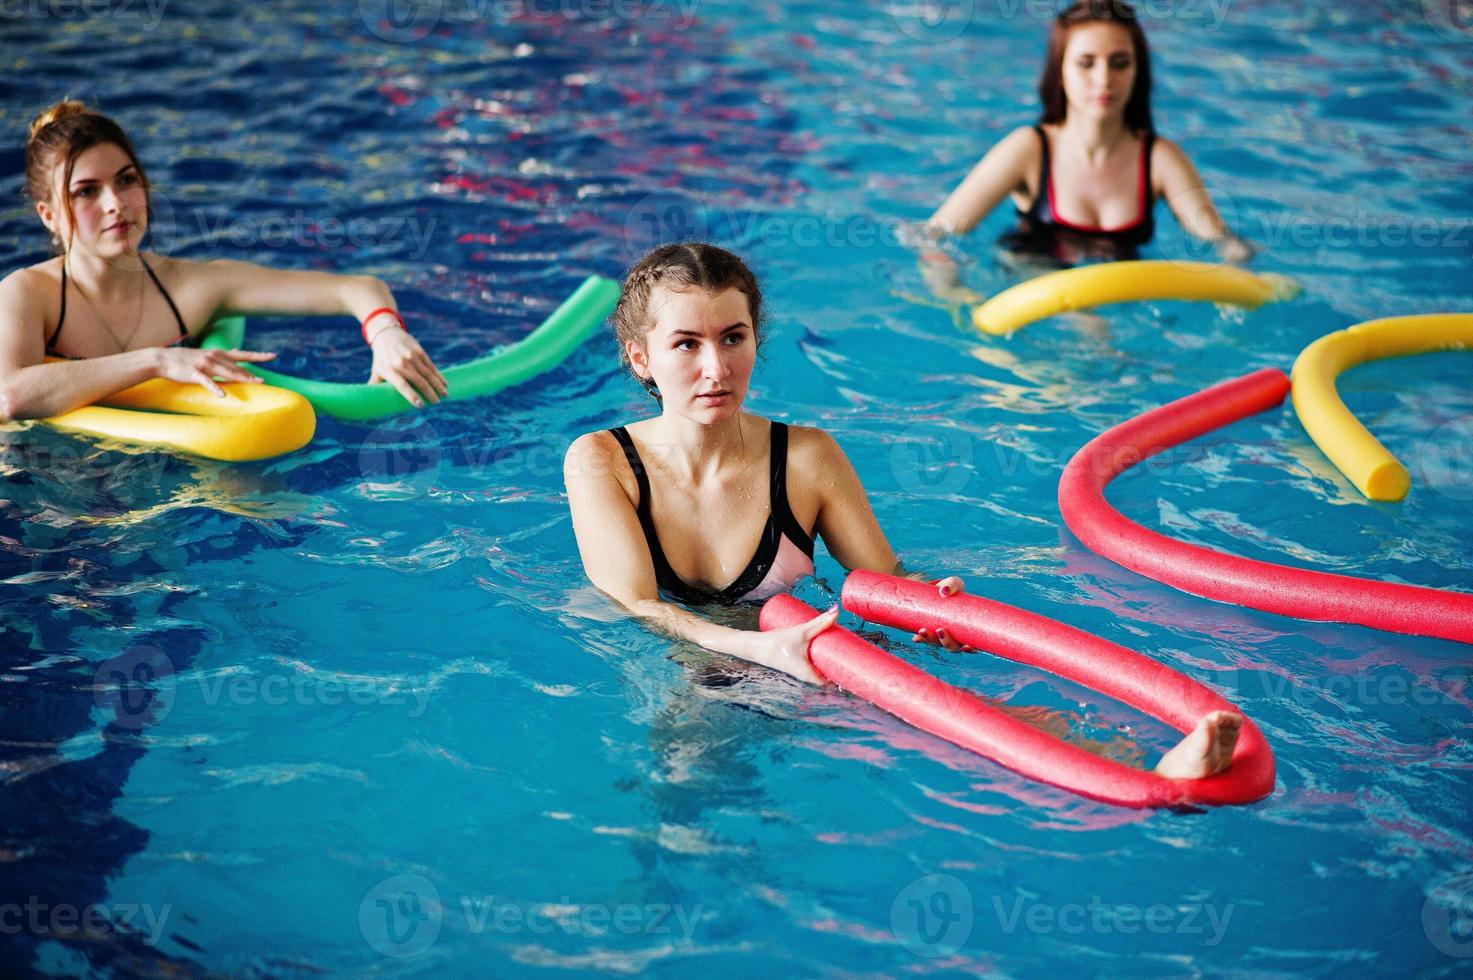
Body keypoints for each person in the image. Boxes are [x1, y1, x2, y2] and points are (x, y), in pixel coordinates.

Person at [565, 242, 1239, 779]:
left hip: (819, 654)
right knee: (685, 771)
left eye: (733, 337)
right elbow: (638, 609)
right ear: (641, 358)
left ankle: (1144, 767)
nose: (716, 367)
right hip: (699, 665)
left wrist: (929, 608)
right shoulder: (600, 461)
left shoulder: (804, 458)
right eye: (686, 344)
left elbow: (883, 581)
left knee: (950, 713)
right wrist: (759, 649)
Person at [0, 100, 448, 421]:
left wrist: (386, 332)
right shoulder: (27, 293)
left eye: (127, 180)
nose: (116, 203)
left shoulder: (192, 289)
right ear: (50, 216)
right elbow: (10, 396)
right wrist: (157, 361)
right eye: (86, 191)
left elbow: (355, 287)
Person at [919, 0, 1253, 299]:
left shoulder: (1159, 159)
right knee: (1092, 330)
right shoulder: (1028, 149)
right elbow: (931, 235)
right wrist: (955, 292)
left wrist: (1237, 265)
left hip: (1116, 294)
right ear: (1060, 71)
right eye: (1086, 63)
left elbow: (1220, 239)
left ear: (1138, 72)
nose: (1104, 79)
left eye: (1120, 63)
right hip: (1029, 283)